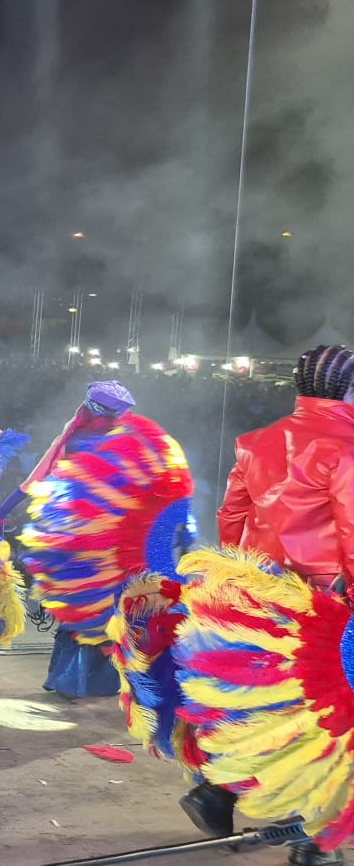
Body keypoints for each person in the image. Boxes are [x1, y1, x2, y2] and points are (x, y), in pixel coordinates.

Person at [180, 346, 354, 863]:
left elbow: (232, 515)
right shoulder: (345, 446)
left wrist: (238, 579)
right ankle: (314, 843)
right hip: (323, 602)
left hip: (261, 593)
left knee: (261, 706)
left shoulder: (256, 441)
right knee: (323, 724)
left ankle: (215, 791)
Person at [7, 381, 142, 699]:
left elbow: (38, 479)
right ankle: (81, 681)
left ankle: (79, 681)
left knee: (92, 610)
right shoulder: (100, 442)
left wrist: (4, 510)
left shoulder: (76, 438)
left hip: (91, 538)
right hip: (95, 539)